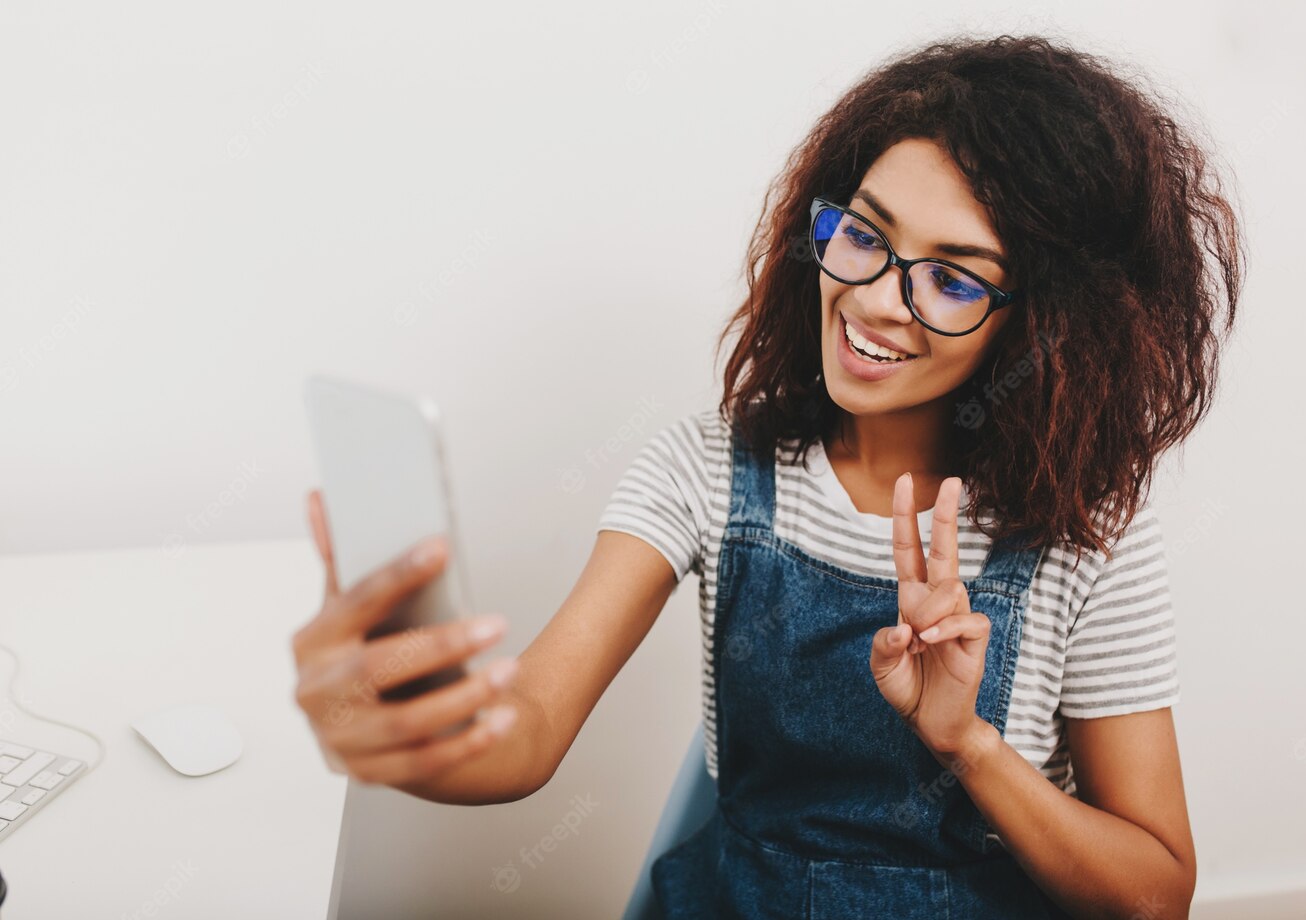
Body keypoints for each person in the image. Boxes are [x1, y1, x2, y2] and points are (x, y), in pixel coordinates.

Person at [291, 33, 1242, 918]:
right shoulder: (706, 470)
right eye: (864, 234)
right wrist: (381, 697)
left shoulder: (1089, 535)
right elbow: (529, 728)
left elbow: (1156, 892)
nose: (873, 299)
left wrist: (969, 744)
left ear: (1047, 327)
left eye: (953, 279)